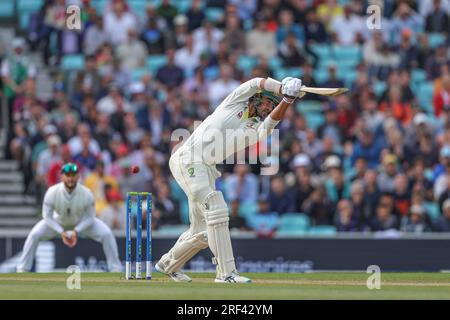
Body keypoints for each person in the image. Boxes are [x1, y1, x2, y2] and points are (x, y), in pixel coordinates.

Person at [156, 76, 304, 283]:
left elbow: (272, 122)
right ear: (256, 100)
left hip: (206, 168)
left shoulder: (257, 128)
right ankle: (226, 274)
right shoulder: (235, 101)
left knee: (202, 231)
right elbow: (256, 82)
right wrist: (281, 88)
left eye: (273, 105)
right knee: (217, 209)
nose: (269, 108)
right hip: (189, 159)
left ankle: (168, 264)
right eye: (267, 103)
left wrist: (287, 100)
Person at [16, 163, 122, 272]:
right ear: (61, 176)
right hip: (58, 222)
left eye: (73, 175)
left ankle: (116, 268)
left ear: (78, 176)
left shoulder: (87, 193)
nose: (70, 178)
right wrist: (61, 231)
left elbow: (90, 217)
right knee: (34, 234)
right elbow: (47, 217)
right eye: (67, 175)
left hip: (81, 223)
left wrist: (76, 231)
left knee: (107, 234)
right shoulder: (52, 192)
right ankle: (22, 269)